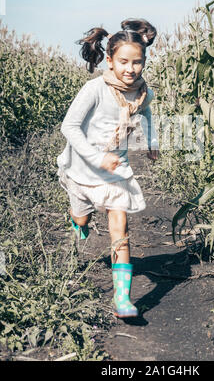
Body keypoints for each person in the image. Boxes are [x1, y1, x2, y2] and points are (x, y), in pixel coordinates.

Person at [56, 18, 159, 318]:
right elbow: (69, 126)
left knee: (120, 229)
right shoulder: (95, 89)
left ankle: (122, 299)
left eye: (137, 62)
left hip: (116, 170)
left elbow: (147, 111)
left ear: (144, 62)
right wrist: (96, 157)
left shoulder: (141, 92)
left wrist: (150, 139)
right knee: (81, 217)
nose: (130, 69)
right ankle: (80, 222)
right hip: (83, 169)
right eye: (124, 62)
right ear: (110, 60)